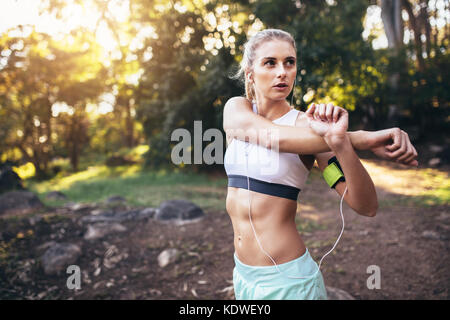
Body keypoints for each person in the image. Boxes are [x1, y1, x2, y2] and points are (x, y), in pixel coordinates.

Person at [222, 29, 418, 300]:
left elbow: (366, 206)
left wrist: (341, 143)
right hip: (243, 274)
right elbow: (271, 136)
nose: (283, 72)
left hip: (288, 282)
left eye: (289, 62)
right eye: (270, 62)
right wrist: (365, 138)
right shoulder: (237, 110)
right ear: (250, 73)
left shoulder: (312, 129)